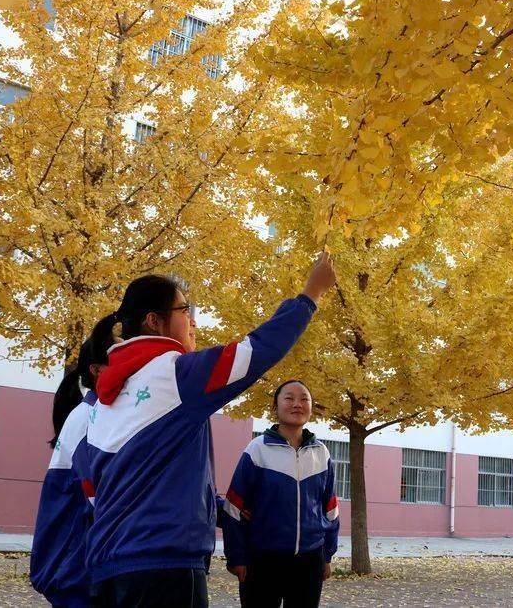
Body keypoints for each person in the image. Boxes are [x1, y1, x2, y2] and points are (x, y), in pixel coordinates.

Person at [86, 252, 336, 608]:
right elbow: (257, 350)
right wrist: (311, 294)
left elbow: (96, 490)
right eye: (185, 310)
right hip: (164, 569)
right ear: (155, 321)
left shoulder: (105, 400)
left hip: (108, 568)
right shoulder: (175, 376)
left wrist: (210, 506)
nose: (193, 322)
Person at [221, 380, 340, 608]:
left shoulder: (321, 453)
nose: (297, 404)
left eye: (304, 399)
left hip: (309, 560)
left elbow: (331, 509)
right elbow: (233, 508)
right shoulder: (257, 450)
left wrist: (327, 555)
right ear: (275, 407)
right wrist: (236, 556)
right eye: (289, 398)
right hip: (262, 560)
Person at [30, 338, 108, 607]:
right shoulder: (90, 420)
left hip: (80, 571)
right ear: (97, 370)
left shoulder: (94, 416)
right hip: (78, 575)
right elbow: (99, 500)